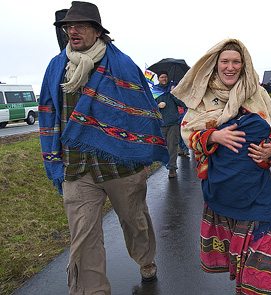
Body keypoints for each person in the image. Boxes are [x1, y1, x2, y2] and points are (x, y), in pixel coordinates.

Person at [39, 2, 169, 294]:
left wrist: (141, 149)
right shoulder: (56, 67)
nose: (72, 30)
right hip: (76, 167)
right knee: (83, 239)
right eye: (68, 27)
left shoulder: (121, 64)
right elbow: (47, 111)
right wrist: (53, 158)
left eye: (80, 25)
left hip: (120, 164)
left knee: (135, 222)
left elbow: (143, 109)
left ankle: (145, 259)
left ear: (97, 31)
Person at [171, 38, 271, 294]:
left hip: (257, 189)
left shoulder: (259, 94)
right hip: (221, 188)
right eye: (225, 61)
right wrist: (213, 136)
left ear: (244, 65)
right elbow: (187, 130)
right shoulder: (204, 97)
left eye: (236, 61)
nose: (230, 67)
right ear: (216, 64)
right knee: (237, 259)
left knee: (258, 262)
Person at [155, 70, 187, 177]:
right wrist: (157, 106)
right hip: (161, 123)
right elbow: (149, 105)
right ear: (158, 79)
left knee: (173, 146)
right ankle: (165, 163)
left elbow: (182, 103)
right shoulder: (155, 91)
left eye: (165, 77)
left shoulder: (173, 89)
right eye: (161, 77)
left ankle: (172, 168)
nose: (164, 79)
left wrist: (175, 94)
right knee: (164, 147)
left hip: (173, 122)